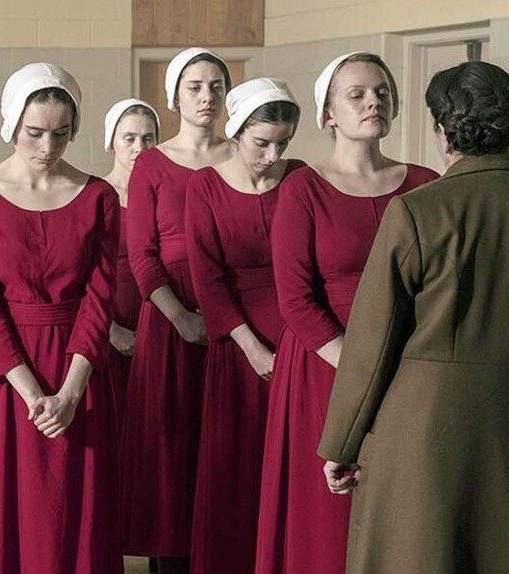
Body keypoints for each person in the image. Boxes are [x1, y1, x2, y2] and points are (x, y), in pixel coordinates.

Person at [319, 60, 509, 574]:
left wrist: (342, 443)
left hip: (423, 435)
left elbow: (374, 342)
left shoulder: (417, 211)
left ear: (444, 133)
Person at [254, 52, 438, 574]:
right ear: (328, 114)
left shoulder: (425, 182)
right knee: (326, 519)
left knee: (405, 508)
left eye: (381, 92)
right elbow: (295, 300)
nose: (373, 102)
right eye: (356, 94)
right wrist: (364, 368)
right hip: (325, 367)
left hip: (409, 367)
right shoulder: (303, 188)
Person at [0, 62, 121, 574]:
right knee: (7, 517)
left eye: (61, 133)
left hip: (78, 372)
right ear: (10, 125)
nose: (48, 146)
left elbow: (99, 298)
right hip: (8, 379)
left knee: (75, 515)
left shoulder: (99, 196)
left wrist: (69, 393)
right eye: (35, 133)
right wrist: (33, 395)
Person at [119, 47, 232, 573]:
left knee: (227, 446)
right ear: (175, 97)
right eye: (195, 87)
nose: (207, 96)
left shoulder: (242, 154)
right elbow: (142, 255)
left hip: (232, 315)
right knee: (173, 452)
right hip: (171, 318)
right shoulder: (152, 163)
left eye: (216, 86)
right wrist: (182, 318)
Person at [185, 78, 304, 574]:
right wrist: (251, 348)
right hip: (238, 344)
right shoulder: (205, 186)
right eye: (262, 143)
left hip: (299, 335)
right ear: (235, 133)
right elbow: (208, 279)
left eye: (283, 143)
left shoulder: (300, 179)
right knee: (236, 466)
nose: (273, 156)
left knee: (294, 463)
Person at [101, 98, 158, 427]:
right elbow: (81, 274)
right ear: (111, 141)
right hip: (113, 326)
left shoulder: (162, 195)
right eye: (130, 138)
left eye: (148, 138)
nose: (140, 147)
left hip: (160, 321)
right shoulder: (96, 195)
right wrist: (110, 331)